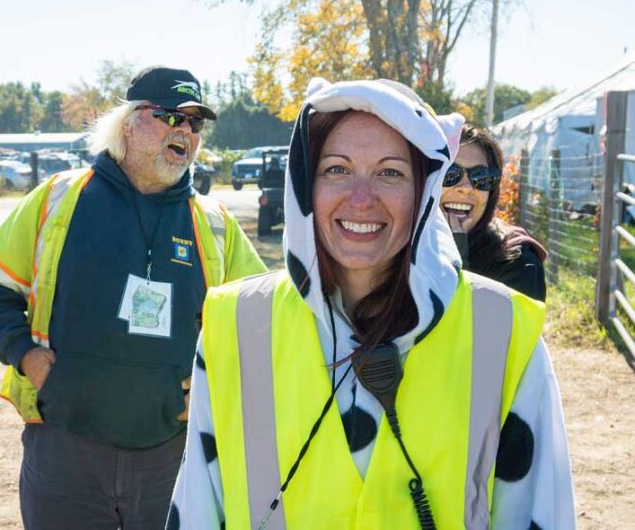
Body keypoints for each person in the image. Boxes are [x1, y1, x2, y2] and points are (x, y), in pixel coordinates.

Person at [169, 78, 575, 529]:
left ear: (424, 191)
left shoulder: (504, 333)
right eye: (337, 169)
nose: (361, 199)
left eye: (390, 172)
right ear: (305, 184)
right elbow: (198, 510)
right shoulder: (236, 325)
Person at [0, 66, 266, 529]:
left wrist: (218, 386)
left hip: (171, 458)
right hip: (65, 453)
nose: (185, 131)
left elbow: (260, 319)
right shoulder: (61, 197)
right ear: (127, 122)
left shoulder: (214, 222)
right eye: (171, 116)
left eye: (196, 123)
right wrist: (26, 356)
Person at [442, 124, 547, 300]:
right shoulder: (397, 245)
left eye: (481, 177)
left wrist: (455, 260)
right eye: (450, 174)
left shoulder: (517, 262)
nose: (466, 188)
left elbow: (483, 327)